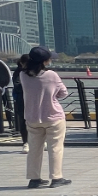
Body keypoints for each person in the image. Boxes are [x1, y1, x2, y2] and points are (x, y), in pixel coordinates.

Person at [20, 46, 70, 188]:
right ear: (44, 61)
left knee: (34, 149)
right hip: (53, 116)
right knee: (55, 148)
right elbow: (63, 93)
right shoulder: (51, 75)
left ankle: (34, 178)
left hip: (32, 117)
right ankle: (56, 178)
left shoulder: (23, 75)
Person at [12, 54, 29, 153]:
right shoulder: (19, 72)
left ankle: (40, 141)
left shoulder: (35, 71)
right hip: (21, 99)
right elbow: (17, 86)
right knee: (24, 121)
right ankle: (25, 142)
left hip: (33, 99)